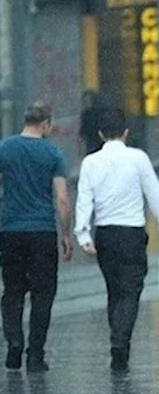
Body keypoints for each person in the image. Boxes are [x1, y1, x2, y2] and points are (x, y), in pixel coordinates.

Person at [75, 108, 159, 372]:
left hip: (105, 234)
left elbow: (84, 200)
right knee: (131, 291)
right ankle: (120, 342)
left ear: (99, 134)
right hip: (131, 233)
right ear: (126, 132)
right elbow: (156, 196)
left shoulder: (90, 163)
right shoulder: (138, 158)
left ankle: (119, 342)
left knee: (114, 290)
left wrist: (82, 234)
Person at [0, 101, 73, 372]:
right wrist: (66, 234)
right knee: (43, 294)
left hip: (10, 231)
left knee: (13, 291)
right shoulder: (53, 153)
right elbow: (62, 200)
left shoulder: (5, 148)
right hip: (42, 232)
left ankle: (14, 342)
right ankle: (35, 354)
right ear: (45, 124)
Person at [79, 90, 107, 155]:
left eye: (88, 101)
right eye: (85, 101)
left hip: (100, 139)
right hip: (90, 140)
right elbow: (83, 127)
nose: (86, 103)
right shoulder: (85, 113)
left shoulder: (100, 112)